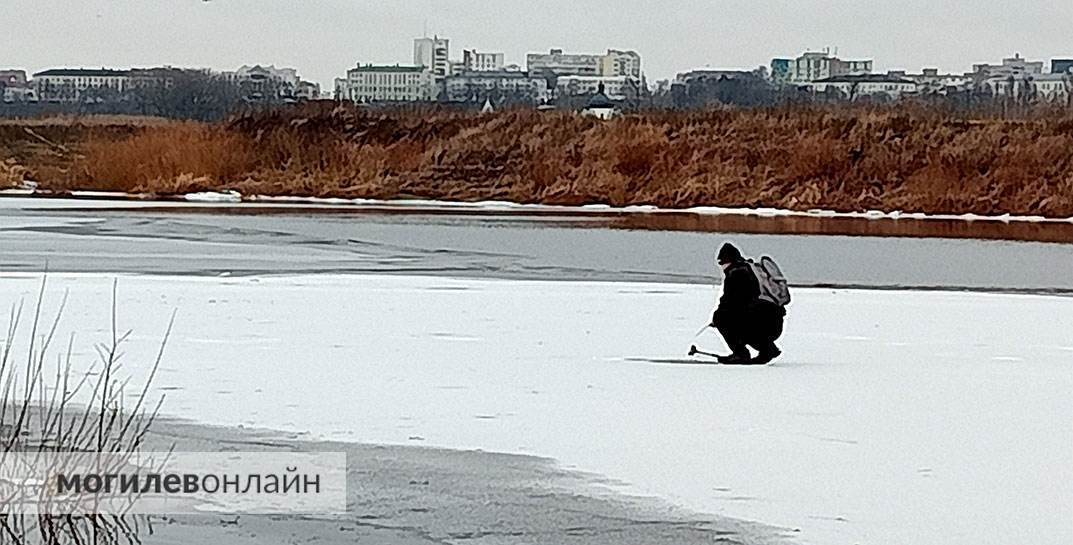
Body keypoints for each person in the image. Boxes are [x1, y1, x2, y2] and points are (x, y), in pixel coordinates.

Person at [710, 242, 785, 365]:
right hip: (774, 324)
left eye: (721, 263)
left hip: (761, 325)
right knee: (743, 319)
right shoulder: (751, 270)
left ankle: (741, 354)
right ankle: (767, 349)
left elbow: (730, 302)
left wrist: (717, 318)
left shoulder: (736, 273)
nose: (721, 267)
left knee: (721, 318)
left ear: (727, 261)